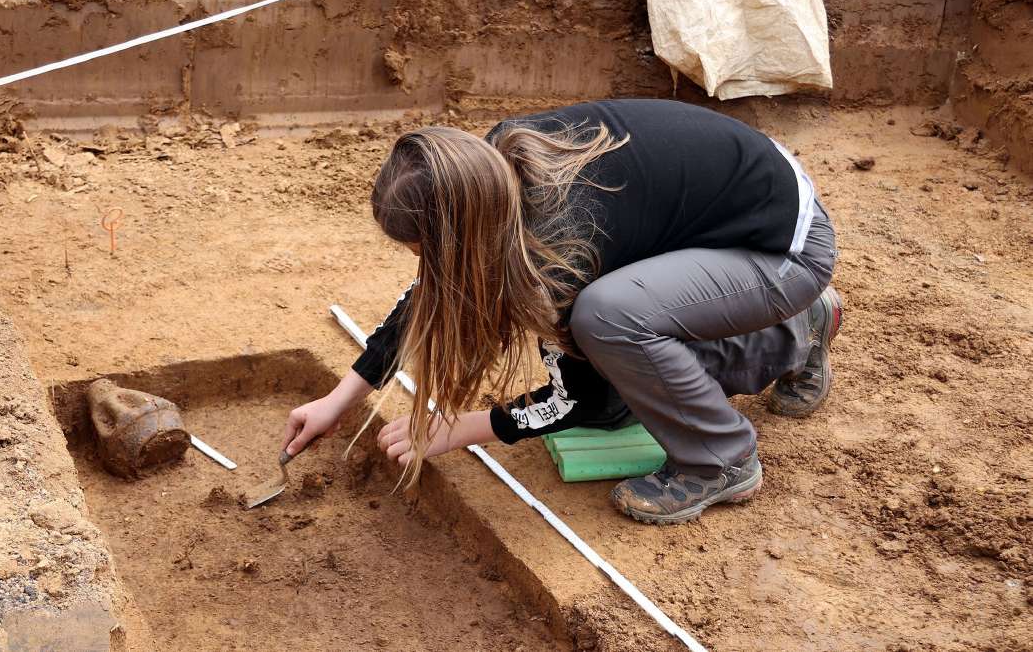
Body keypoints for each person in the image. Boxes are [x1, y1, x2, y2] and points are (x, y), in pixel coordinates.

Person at [280, 99, 842, 525]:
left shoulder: (561, 249)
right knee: (619, 352)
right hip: (730, 215)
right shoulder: (490, 170)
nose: (424, 265)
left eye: (425, 250)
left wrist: (462, 427)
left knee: (607, 321)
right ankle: (800, 330)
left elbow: (576, 398)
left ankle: (721, 459)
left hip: (780, 249)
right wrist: (339, 399)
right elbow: (434, 292)